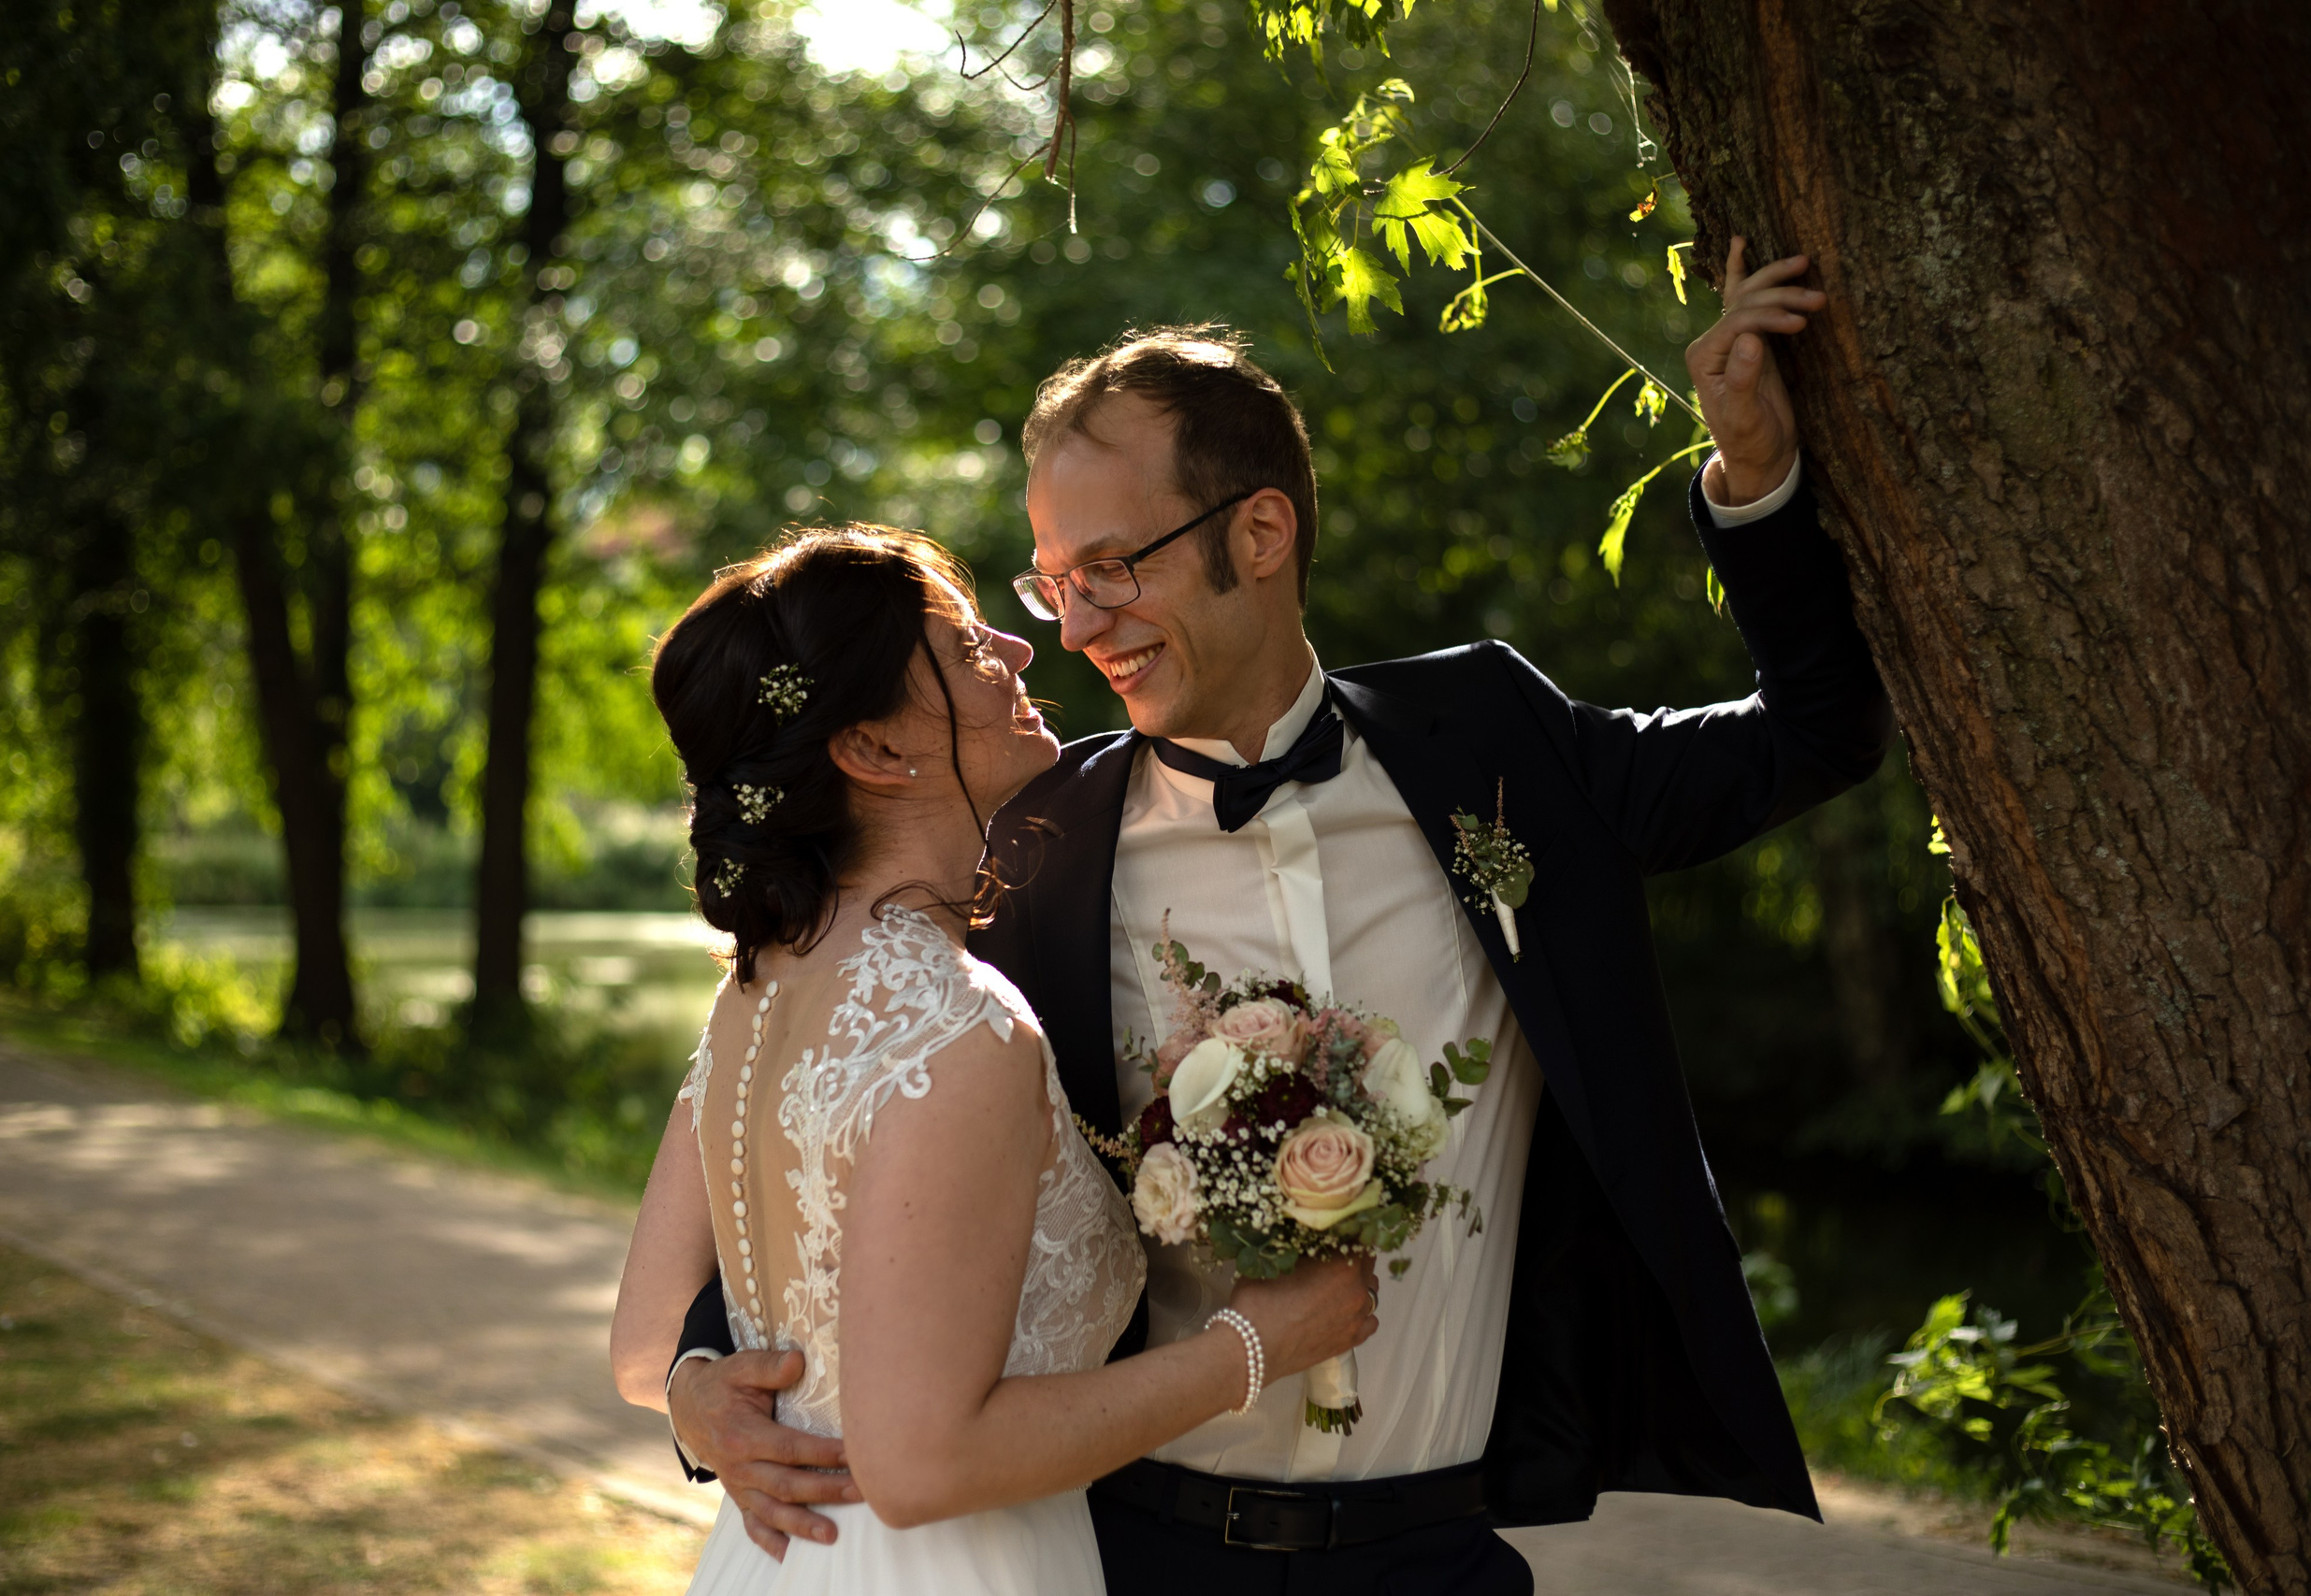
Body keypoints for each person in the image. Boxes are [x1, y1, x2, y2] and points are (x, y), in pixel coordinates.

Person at [664, 238, 1890, 1594]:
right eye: (1053, 583)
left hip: (1440, 1553)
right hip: (1131, 1553)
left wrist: (1758, 480)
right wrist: (698, 1373)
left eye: (1113, 568)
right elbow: (844, 1132)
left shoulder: (1496, 748)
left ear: (1260, 531)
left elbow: (1818, 735)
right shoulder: (1030, 845)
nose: (1077, 629)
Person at [609, 526, 1379, 1595]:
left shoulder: (758, 989)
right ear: (874, 751)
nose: (1022, 653)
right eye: (968, 653)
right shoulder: (957, 1027)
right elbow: (924, 1463)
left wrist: (702, 1386)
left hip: (777, 1561)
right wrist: (1253, 1345)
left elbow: (647, 1347)